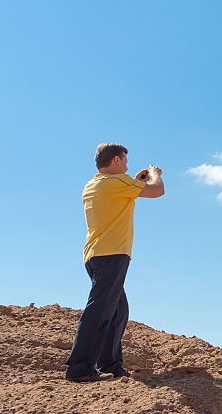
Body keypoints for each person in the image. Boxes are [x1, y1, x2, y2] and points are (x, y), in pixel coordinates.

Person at [64, 143, 165, 382]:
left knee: (117, 310)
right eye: (125, 161)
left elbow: (123, 195)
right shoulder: (116, 183)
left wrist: (135, 181)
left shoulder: (94, 184)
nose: (128, 166)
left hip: (96, 254)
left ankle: (110, 365)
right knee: (100, 310)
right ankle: (79, 367)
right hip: (112, 254)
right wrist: (155, 174)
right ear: (117, 160)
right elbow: (157, 190)